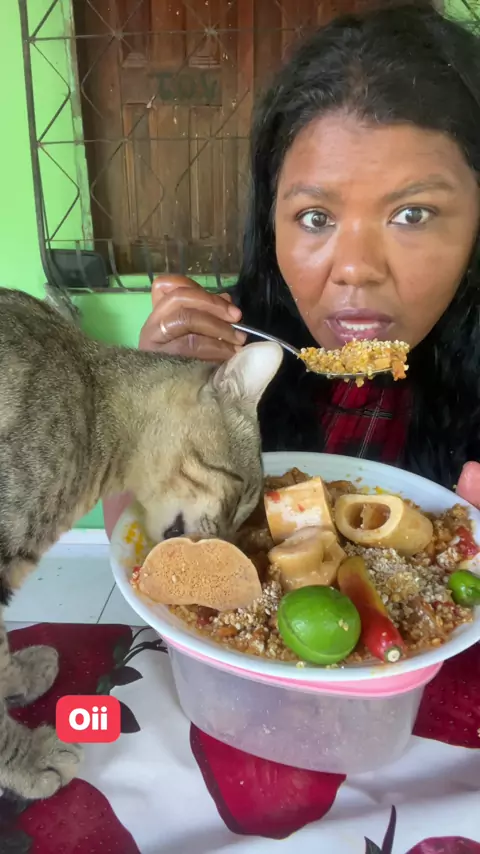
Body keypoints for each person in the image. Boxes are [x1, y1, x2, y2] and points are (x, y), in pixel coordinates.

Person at [104, 1, 480, 537]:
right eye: (315, 217)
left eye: (412, 215)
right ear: (272, 222)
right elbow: (135, 547)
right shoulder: (224, 353)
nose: (355, 270)